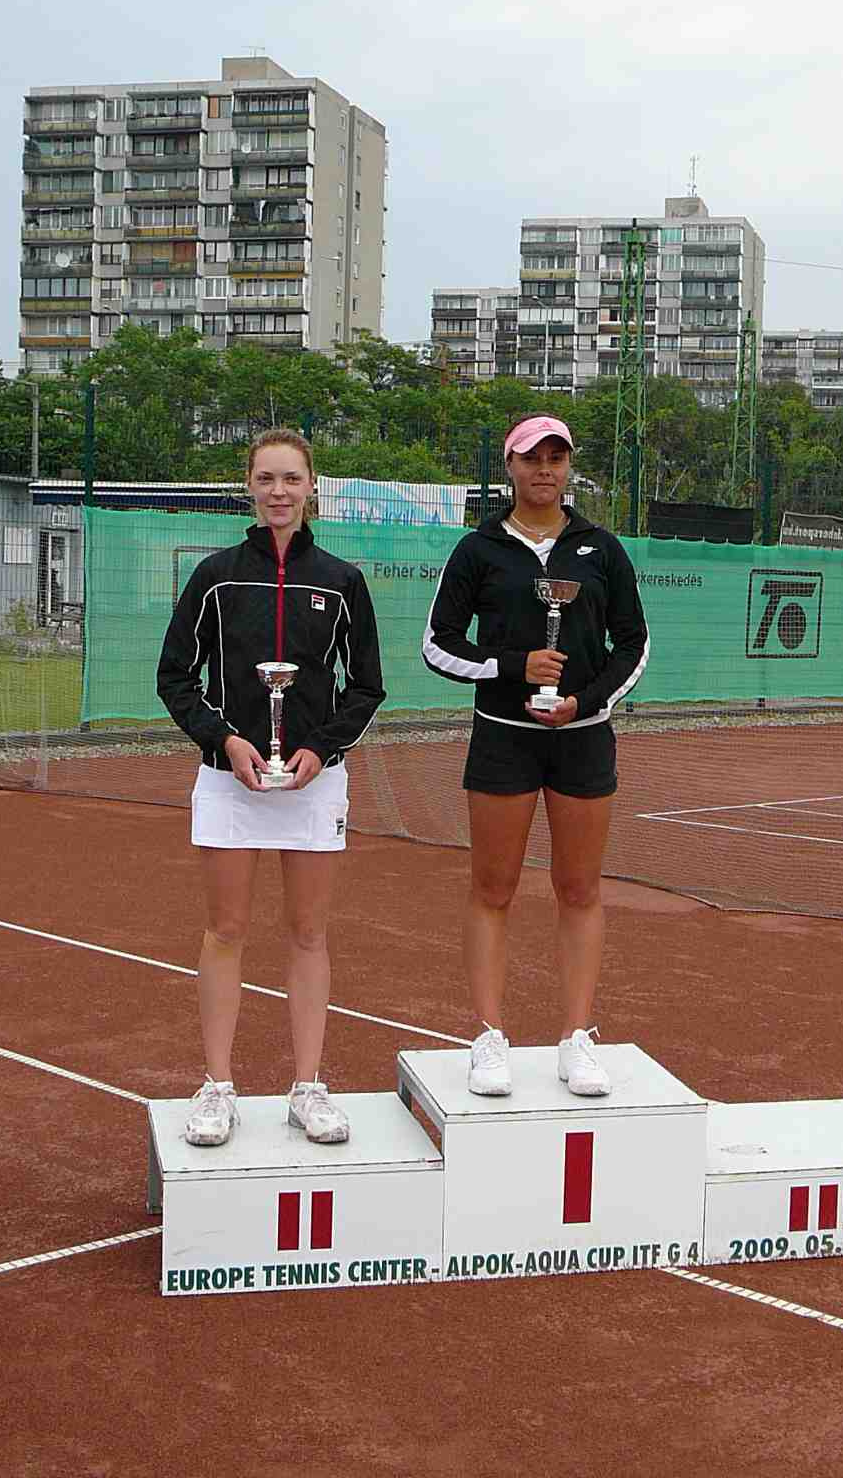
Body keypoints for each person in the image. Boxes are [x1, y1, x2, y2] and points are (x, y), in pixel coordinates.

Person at [157, 428, 385, 1147]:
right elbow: (175, 676)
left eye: (292, 479)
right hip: (231, 782)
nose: (279, 492)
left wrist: (320, 747)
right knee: (226, 930)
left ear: (312, 486)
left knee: (309, 933)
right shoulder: (216, 576)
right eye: (267, 479)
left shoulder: (342, 581)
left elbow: (367, 686)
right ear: (248, 487)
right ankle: (218, 1086)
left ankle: (308, 1086)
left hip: (314, 785)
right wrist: (225, 739)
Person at [422, 415, 649, 1097]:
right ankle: (489, 1037)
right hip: (502, 736)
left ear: (568, 468)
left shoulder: (600, 549)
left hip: (582, 739)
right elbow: (438, 645)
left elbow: (633, 645)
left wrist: (590, 702)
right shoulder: (478, 550)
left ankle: (577, 1037)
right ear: (510, 466)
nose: (544, 470)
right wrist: (512, 666)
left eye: (556, 458)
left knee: (579, 889)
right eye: (531, 458)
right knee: (494, 890)